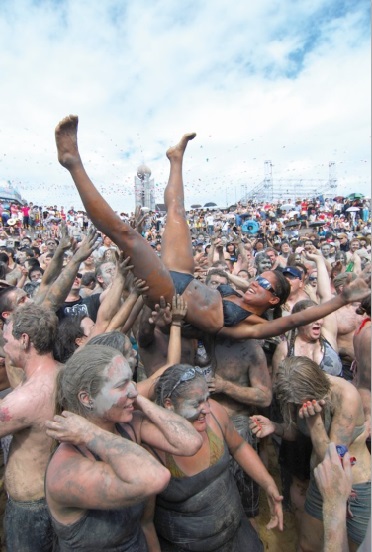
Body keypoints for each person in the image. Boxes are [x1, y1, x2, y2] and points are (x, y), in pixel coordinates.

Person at [55, 115, 370, 341]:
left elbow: (298, 318)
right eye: (261, 277)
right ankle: (175, 158)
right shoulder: (236, 293)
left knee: (129, 237)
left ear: (274, 301)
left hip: (168, 294)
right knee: (177, 214)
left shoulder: (253, 324)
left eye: (266, 285)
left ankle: (72, 162)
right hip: (182, 277)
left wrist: (340, 301)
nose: (258, 283)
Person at [45, 345, 203, 552]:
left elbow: (190, 442)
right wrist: (90, 434)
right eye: (121, 385)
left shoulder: (127, 426)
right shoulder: (65, 469)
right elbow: (155, 477)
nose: (134, 390)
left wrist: (140, 402)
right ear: (86, 399)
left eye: (131, 380)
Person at [148, 363, 283, 551]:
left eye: (207, 399)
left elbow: (239, 446)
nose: (206, 409)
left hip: (237, 535)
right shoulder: (153, 447)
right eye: (196, 404)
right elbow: (145, 522)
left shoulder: (216, 415)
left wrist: (268, 484)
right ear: (169, 404)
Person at [250, 357, 371, 551]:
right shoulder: (300, 396)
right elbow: (298, 431)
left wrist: (315, 422)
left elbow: (334, 462)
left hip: (355, 486)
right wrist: (275, 427)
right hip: (320, 480)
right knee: (306, 545)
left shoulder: (346, 396)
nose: (298, 407)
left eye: (299, 403)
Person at [2, 303, 59, 552]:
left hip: (31, 511)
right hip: (54, 495)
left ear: (24, 339)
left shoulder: (24, 400)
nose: (3, 348)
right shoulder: (62, 372)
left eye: (5, 341)